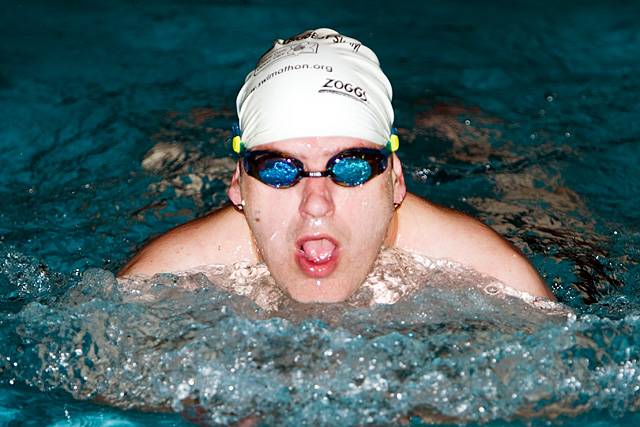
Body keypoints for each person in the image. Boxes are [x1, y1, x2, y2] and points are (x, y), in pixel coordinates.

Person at [119, 28, 555, 302]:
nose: (316, 203)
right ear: (237, 183)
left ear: (397, 179)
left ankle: (450, 124)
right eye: (278, 169)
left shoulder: (495, 277)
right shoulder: (160, 281)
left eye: (352, 167)